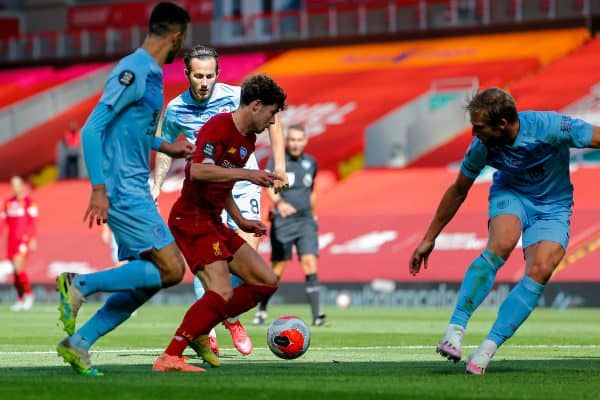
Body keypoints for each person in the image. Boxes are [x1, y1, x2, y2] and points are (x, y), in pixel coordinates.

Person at [409, 88, 600, 375]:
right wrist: (428, 238)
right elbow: (459, 189)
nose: (474, 133)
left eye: (478, 127)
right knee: (502, 242)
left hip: (553, 205)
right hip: (511, 194)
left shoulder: (549, 127)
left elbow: (595, 135)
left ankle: (487, 349)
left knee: (541, 269)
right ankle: (454, 331)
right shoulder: (482, 148)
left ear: (502, 124)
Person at [55, 2, 193, 376]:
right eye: (185, 39)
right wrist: (99, 188)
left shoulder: (152, 74)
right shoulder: (133, 70)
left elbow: (132, 130)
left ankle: (79, 342)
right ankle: (79, 283)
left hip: (133, 183)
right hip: (121, 188)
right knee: (172, 269)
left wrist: (167, 146)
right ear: (177, 36)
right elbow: (91, 129)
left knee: (147, 280)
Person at [151, 44, 288, 356]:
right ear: (187, 74)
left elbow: (270, 123)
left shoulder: (242, 116)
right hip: (202, 201)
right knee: (219, 281)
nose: (204, 82)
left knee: (255, 275)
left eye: (209, 75)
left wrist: (243, 213)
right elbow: (181, 157)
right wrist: (157, 184)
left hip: (230, 190)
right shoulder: (181, 112)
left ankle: (220, 316)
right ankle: (201, 332)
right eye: (198, 75)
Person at [253, 124, 325, 326]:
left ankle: (317, 315)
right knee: (277, 270)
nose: (294, 144)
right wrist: (279, 203)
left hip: (305, 221)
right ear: (287, 141)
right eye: (291, 140)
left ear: (305, 140)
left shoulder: (312, 163)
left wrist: (314, 215)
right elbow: (269, 187)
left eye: (298, 140)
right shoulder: (277, 160)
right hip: (283, 221)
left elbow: (312, 191)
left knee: (310, 263)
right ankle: (262, 310)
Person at [0, 176, 38, 311]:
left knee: (19, 267)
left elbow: (33, 222)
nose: (15, 188)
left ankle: (29, 295)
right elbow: (3, 221)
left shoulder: (29, 202)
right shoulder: (8, 202)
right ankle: (20, 299)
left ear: (22, 186)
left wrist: (32, 238)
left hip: (24, 239)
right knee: (15, 272)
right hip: (11, 241)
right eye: (13, 185)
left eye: (17, 185)